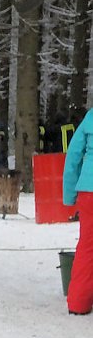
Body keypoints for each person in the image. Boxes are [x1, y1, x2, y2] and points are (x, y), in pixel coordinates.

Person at [63, 107, 93, 315]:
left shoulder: (91, 117)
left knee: (87, 247)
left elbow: (73, 155)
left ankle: (78, 303)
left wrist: (69, 194)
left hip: (89, 191)